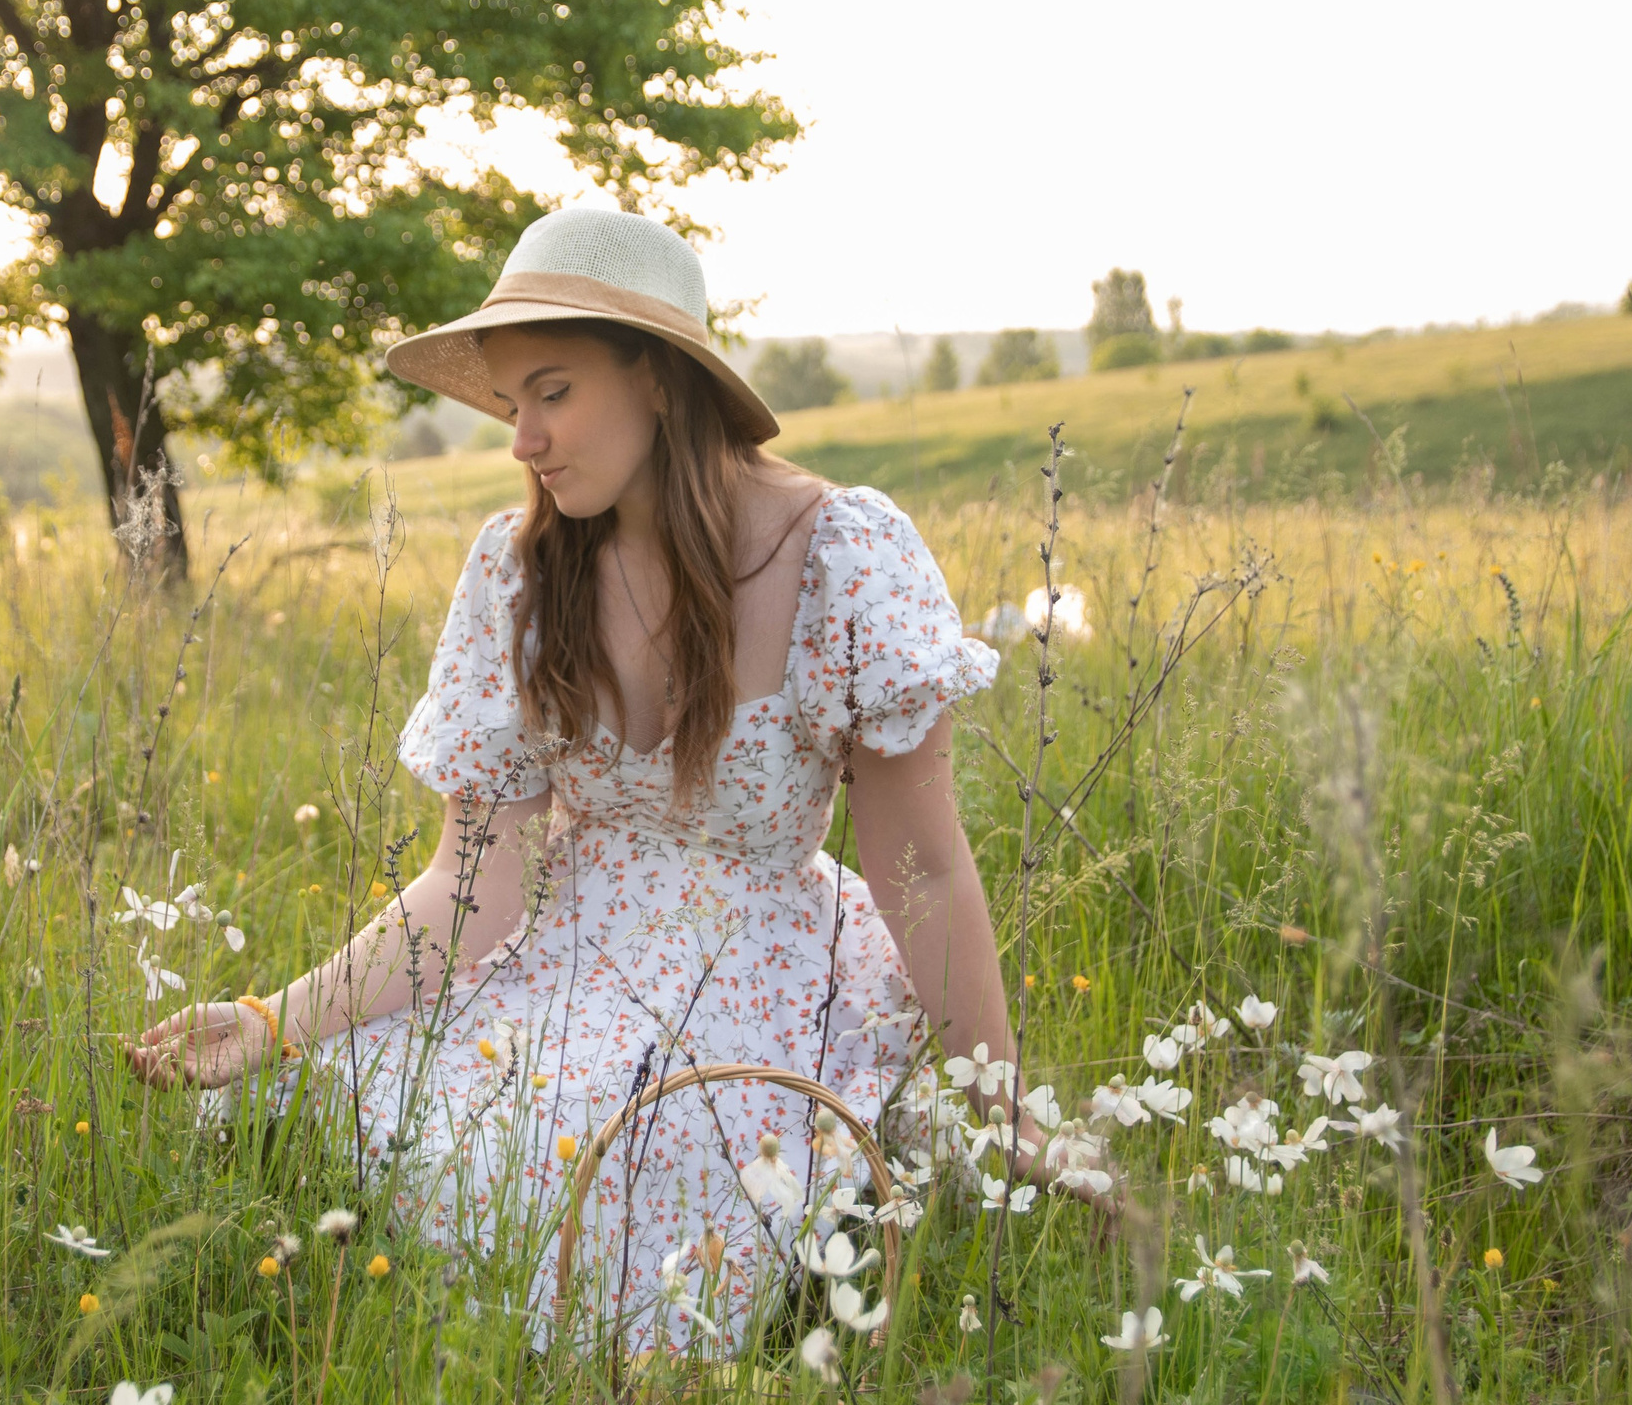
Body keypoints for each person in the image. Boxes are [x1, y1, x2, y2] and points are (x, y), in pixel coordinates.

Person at [129, 208, 1046, 1344]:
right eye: (513, 404)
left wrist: (1011, 1121)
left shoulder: (841, 554)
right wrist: (273, 1018)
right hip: (561, 955)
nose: (523, 439)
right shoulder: (517, 574)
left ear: (658, 379)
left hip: (754, 972)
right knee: (308, 1089)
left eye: (551, 392)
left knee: (602, 1157)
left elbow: (923, 869)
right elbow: (471, 885)